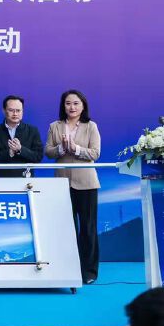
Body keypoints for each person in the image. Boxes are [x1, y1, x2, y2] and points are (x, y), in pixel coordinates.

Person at [44, 89, 101, 285]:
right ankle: (68, 269)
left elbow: (95, 153)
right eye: (68, 103)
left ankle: (89, 271)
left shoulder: (91, 126)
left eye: (76, 103)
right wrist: (61, 148)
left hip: (86, 184)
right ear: (63, 106)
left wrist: (75, 149)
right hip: (61, 184)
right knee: (65, 229)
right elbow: (48, 151)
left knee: (88, 228)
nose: (72, 107)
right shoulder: (55, 126)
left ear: (83, 106)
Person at [0, 95, 44, 177]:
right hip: (0, 179)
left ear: (22, 111)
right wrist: (8, 153)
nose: (15, 114)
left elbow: (38, 157)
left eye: (18, 110)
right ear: (4, 111)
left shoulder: (32, 131)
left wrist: (20, 150)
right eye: (11, 110)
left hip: (24, 179)